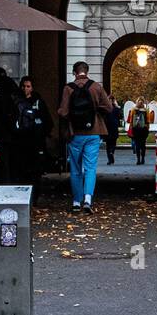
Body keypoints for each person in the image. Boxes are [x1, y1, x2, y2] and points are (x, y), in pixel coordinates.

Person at [57, 60, 112, 212]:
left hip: (75, 134)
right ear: (87, 72)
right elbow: (109, 107)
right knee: (90, 168)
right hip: (93, 132)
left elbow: (64, 111)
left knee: (75, 168)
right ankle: (88, 199)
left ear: (74, 73)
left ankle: (76, 201)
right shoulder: (96, 87)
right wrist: (95, 109)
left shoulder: (68, 89)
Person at [13, 75, 52, 201]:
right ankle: (22, 196)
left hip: (35, 142)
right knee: (21, 170)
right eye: (23, 86)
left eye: (28, 86)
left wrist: (41, 135)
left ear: (32, 88)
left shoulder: (38, 102)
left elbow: (48, 121)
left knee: (35, 172)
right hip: (21, 142)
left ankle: (34, 196)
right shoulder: (16, 102)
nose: (25, 89)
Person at [128, 98, 150, 164]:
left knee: (137, 145)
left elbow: (131, 120)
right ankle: (142, 158)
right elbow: (148, 120)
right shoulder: (146, 110)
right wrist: (147, 128)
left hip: (136, 129)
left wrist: (131, 128)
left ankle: (138, 159)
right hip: (144, 129)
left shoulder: (133, 110)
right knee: (143, 145)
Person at [104, 97, 122, 165]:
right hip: (114, 127)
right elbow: (120, 116)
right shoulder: (116, 109)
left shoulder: (105, 109)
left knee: (108, 144)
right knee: (113, 142)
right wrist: (117, 107)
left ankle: (109, 159)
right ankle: (112, 151)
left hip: (107, 127)